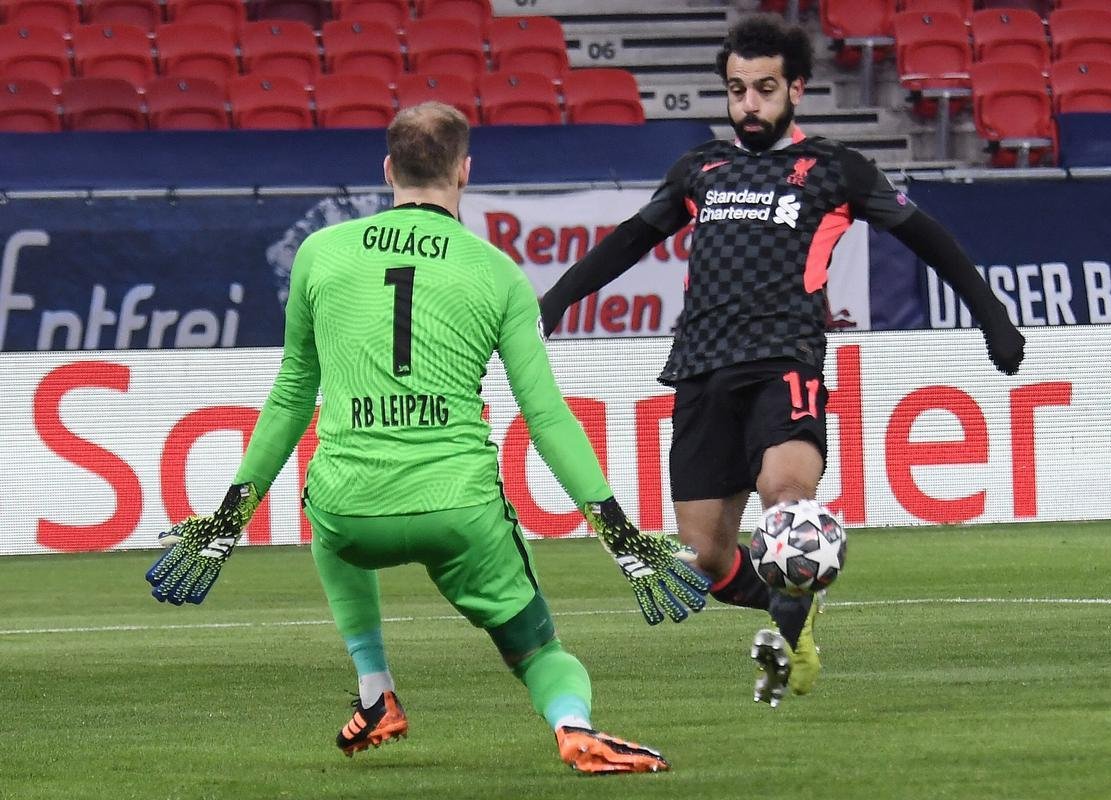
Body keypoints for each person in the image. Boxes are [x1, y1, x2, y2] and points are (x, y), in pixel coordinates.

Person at [145, 102, 709, 774]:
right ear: (464, 172)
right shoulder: (497, 272)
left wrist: (227, 519)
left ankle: (375, 689)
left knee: (324, 506)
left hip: (350, 509)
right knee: (537, 650)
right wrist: (615, 530)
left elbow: (291, 395)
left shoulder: (319, 253)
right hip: (459, 512)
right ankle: (572, 726)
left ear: (387, 169)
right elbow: (546, 415)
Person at [538, 15, 1026, 707]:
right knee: (703, 561)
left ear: (794, 87)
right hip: (700, 366)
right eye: (737, 89)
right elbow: (628, 240)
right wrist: (555, 302)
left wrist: (991, 316)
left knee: (787, 502)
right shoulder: (700, 169)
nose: (749, 104)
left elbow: (927, 236)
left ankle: (794, 598)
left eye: (764, 88)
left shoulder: (833, 169)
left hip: (782, 361)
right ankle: (789, 608)